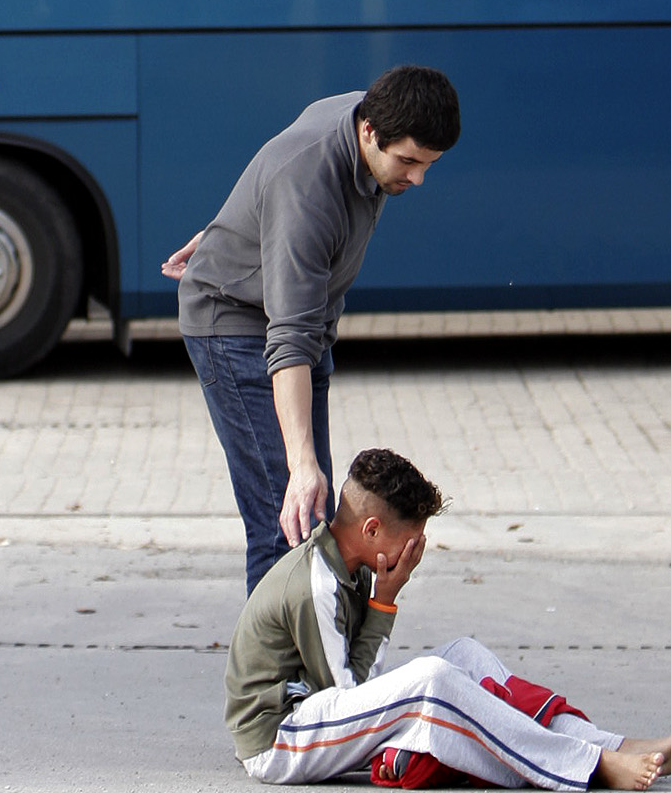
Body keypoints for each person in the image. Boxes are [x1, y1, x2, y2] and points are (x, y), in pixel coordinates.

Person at [227, 446, 671, 791]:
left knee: (464, 656)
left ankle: (612, 743)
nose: (414, 552)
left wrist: (381, 600)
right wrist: (385, 603)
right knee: (432, 678)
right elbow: (350, 693)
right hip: (278, 740)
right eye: (410, 540)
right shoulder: (318, 584)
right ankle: (589, 766)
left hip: (323, 713)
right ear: (372, 530)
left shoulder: (353, 564)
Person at [165, 64, 461, 595]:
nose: (417, 179)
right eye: (410, 162)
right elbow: (288, 340)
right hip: (237, 329)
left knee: (315, 521)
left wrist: (228, 230)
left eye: (429, 165)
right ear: (369, 132)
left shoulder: (364, 111)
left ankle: (319, 665)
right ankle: (274, 678)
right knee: (289, 522)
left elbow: (271, 183)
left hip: (300, 320)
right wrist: (302, 466)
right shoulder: (309, 185)